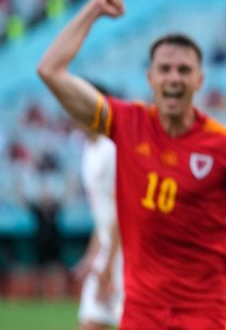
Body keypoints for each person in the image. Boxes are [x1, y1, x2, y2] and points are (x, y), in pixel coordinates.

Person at [37, 0, 226, 329]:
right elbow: (50, 71)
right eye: (164, 70)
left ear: (199, 80)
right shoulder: (125, 123)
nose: (174, 78)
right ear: (150, 78)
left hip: (203, 312)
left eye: (183, 70)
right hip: (141, 312)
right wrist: (91, 9)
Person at [72, 90, 123, 329]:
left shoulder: (111, 150)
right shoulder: (89, 149)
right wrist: (92, 257)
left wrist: (109, 265)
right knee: (91, 322)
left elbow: (122, 211)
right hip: (107, 252)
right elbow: (102, 213)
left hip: (124, 255)